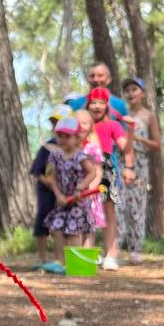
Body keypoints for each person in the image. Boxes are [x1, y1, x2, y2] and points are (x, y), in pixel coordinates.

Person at [42, 115, 98, 274]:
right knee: (57, 228)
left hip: (79, 203)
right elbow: (52, 177)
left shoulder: (80, 155)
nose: (64, 140)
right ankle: (60, 261)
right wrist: (58, 195)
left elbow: (92, 172)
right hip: (63, 200)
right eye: (60, 136)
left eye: (68, 136)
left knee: (74, 231)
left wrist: (81, 187)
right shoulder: (55, 155)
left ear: (76, 137)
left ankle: (75, 264)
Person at [86, 87, 131, 270]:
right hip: (86, 167)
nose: (97, 106)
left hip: (106, 170)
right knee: (87, 213)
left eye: (101, 102)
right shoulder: (84, 125)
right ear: (88, 105)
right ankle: (88, 253)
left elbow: (124, 146)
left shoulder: (113, 125)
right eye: (93, 102)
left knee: (108, 212)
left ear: (106, 106)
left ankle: (111, 254)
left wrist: (132, 131)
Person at [118, 77, 162, 264]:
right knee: (119, 205)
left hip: (140, 163)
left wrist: (137, 138)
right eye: (127, 90)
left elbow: (157, 143)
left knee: (137, 205)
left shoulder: (148, 116)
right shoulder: (122, 114)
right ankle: (116, 247)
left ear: (142, 93)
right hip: (120, 162)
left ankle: (135, 248)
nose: (130, 93)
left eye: (134, 89)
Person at [29, 108, 60, 268]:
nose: (56, 128)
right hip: (46, 192)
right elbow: (36, 170)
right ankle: (41, 257)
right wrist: (48, 182)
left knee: (59, 224)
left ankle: (58, 258)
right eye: (54, 124)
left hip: (62, 193)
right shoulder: (46, 147)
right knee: (43, 222)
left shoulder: (73, 148)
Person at [75, 108, 105, 246]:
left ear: (91, 126)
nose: (81, 126)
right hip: (73, 193)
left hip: (89, 193)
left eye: (85, 123)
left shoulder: (92, 148)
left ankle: (87, 256)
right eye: (78, 123)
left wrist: (91, 189)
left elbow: (98, 172)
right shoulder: (69, 148)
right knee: (74, 227)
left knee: (88, 227)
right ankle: (75, 257)